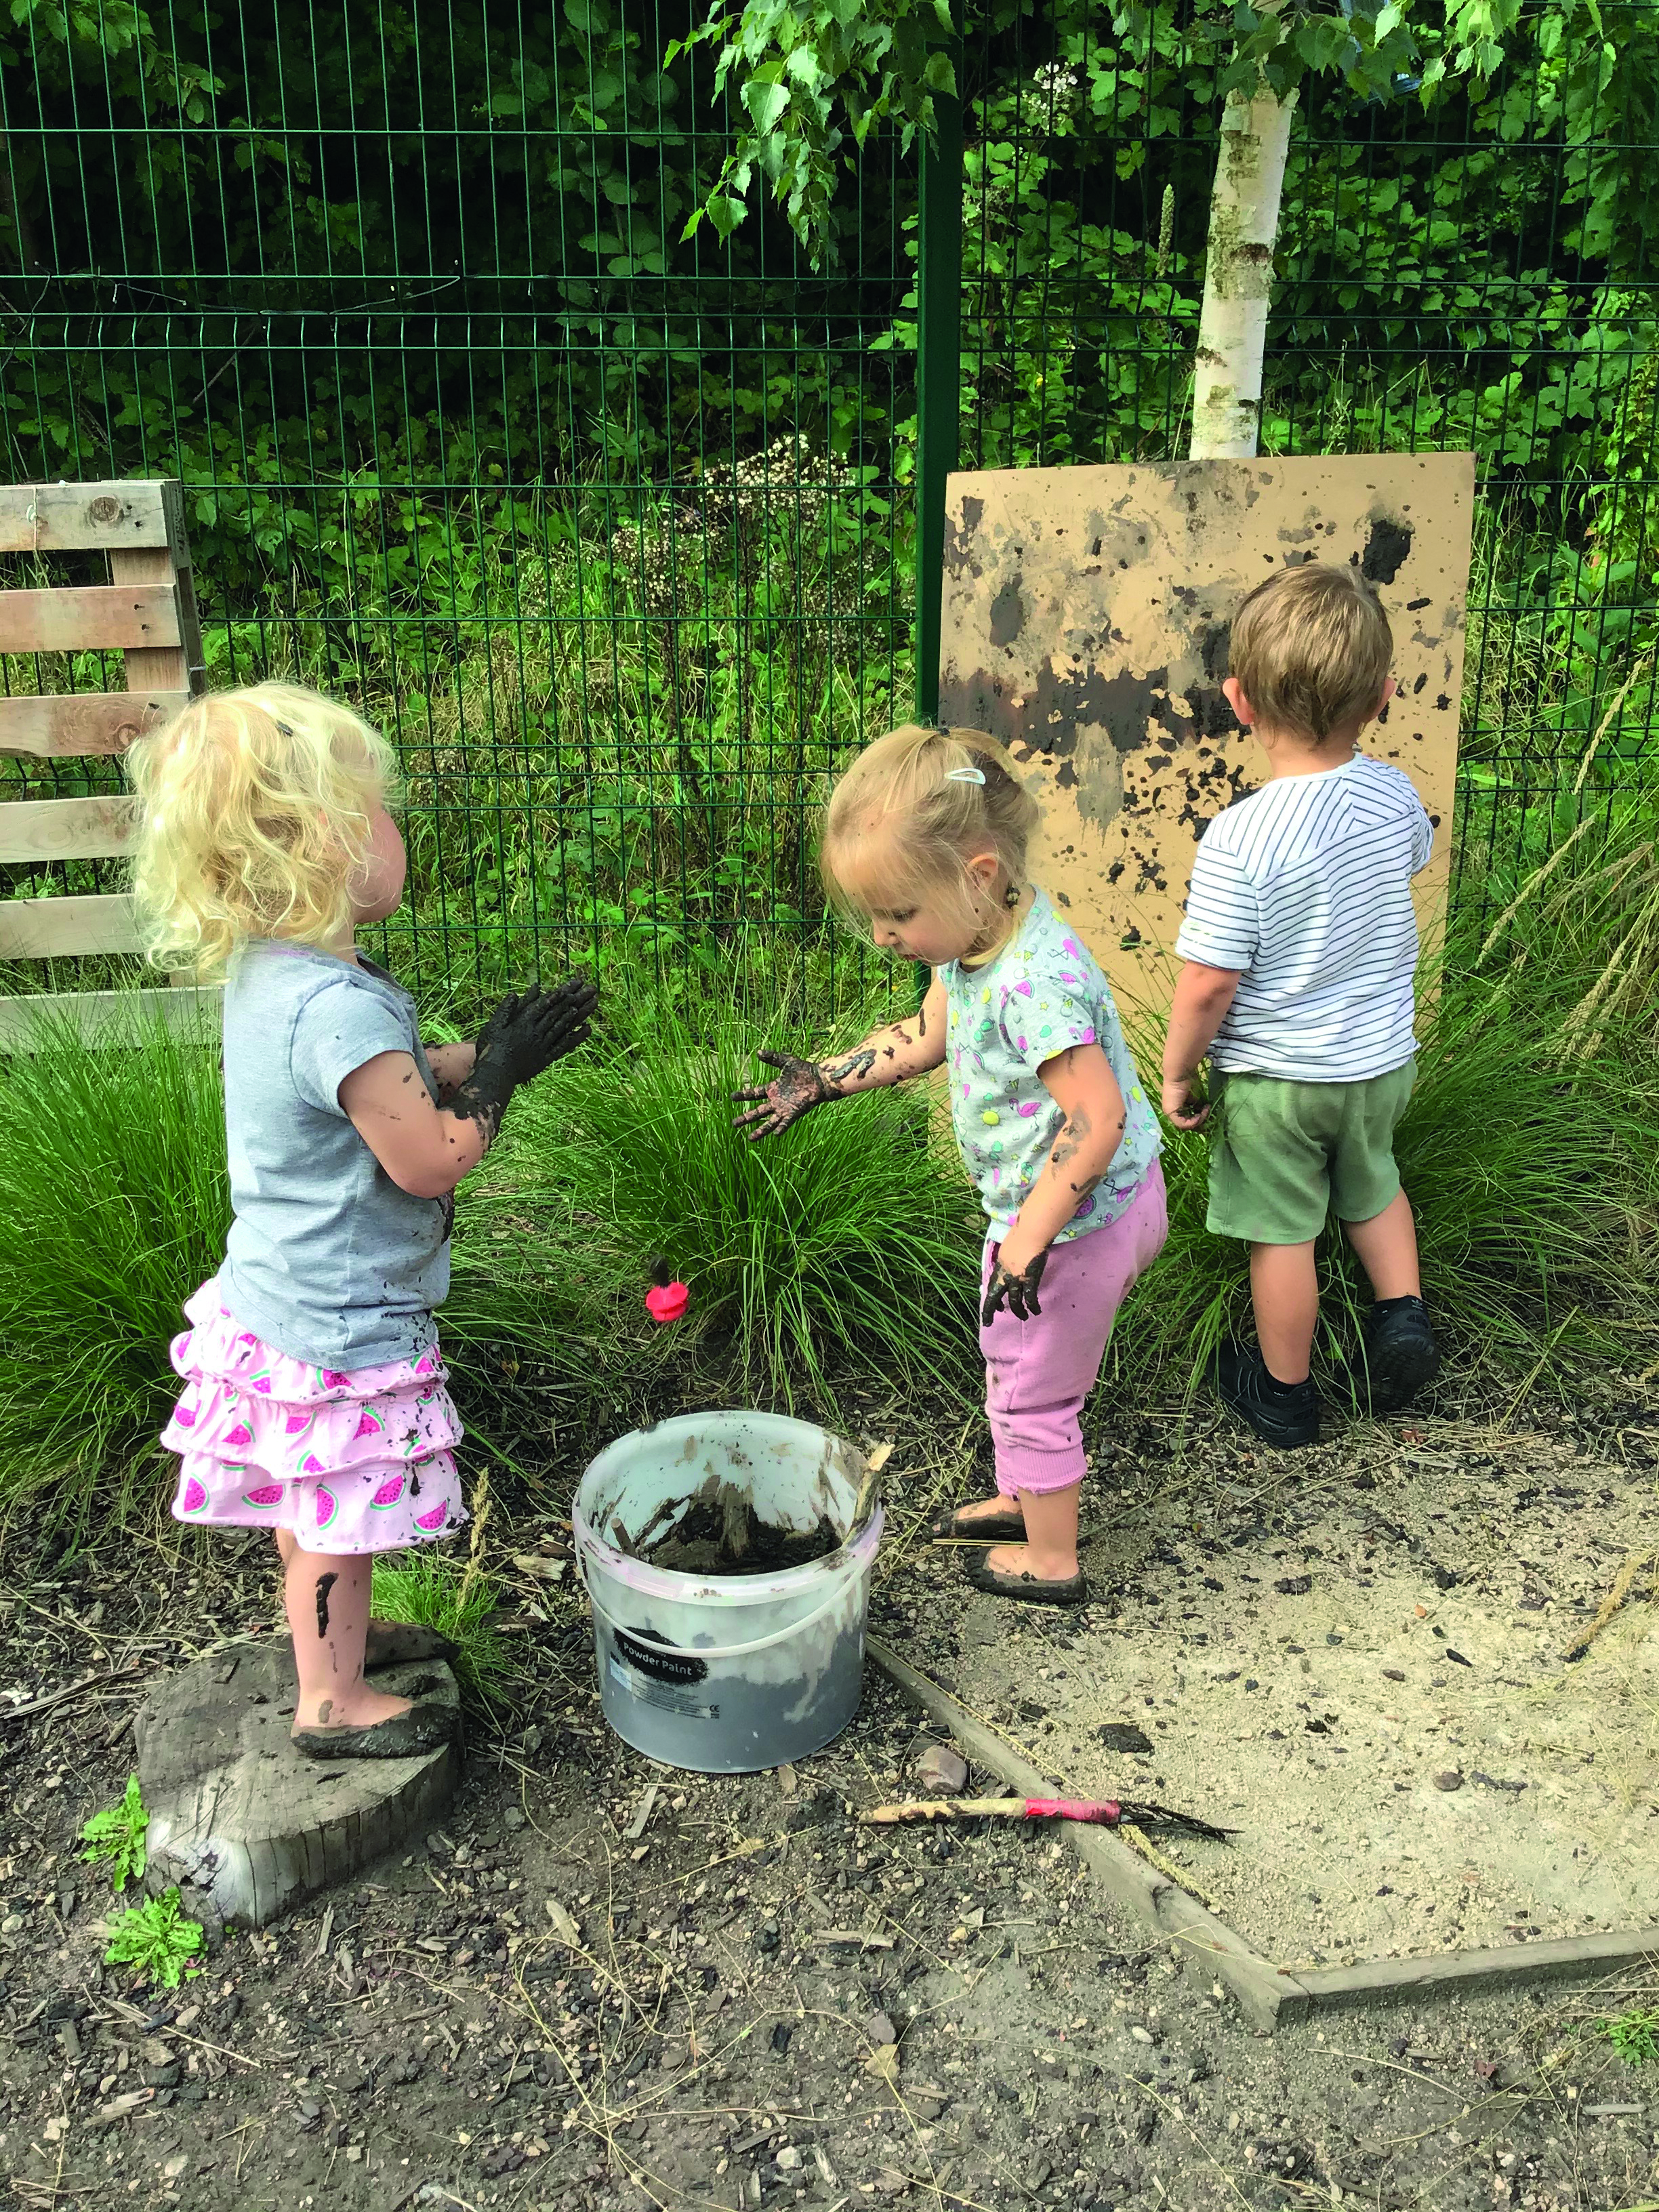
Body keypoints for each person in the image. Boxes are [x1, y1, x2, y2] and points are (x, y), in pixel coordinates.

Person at [127, 684, 596, 1755]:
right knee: (340, 1508)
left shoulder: (276, 975)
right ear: (324, 840)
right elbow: (431, 1158)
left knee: (316, 1500)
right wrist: (502, 1085)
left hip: (278, 1296)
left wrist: (477, 1051)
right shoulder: (334, 1004)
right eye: (379, 810)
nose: (396, 830)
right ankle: (330, 1704)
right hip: (340, 1321)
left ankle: (334, 1645)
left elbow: (380, 1085)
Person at [733, 724, 1165, 1605]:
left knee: (1038, 1388)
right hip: (1053, 1213)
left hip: (1078, 1222)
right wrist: (825, 1080)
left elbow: (1099, 1117)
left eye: (898, 914)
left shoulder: (1032, 985)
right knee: (1012, 1358)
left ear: (975, 876)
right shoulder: (976, 943)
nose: (885, 937)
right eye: (874, 919)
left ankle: (1051, 1558)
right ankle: (1025, 1496)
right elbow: (928, 1038)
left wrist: (1029, 1244)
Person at [1161, 561, 1439, 1449]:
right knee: (1374, 1186)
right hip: (1379, 1063)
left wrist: (1177, 1073)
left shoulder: (1241, 837)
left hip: (1278, 1083)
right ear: (1385, 696)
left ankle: (1284, 1395)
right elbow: (1400, 869)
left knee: (1282, 1234)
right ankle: (1403, 1316)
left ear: (1239, 701)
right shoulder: (1397, 797)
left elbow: (1208, 982)